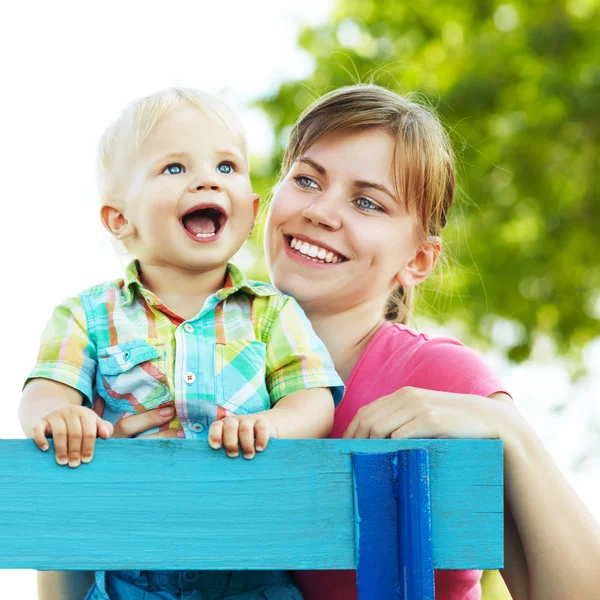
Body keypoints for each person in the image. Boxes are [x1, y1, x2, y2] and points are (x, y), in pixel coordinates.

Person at [37, 84, 600, 600]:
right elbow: (65, 578)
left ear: (418, 260)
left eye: (368, 202)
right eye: (307, 179)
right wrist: (111, 479)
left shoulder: (434, 380)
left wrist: (506, 426)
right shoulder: (152, 371)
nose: (320, 212)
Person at [19, 87, 343, 600]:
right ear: (120, 219)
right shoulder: (86, 315)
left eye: (227, 167)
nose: (207, 180)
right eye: (174, 168)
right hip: (131, 574)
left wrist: (272, 425)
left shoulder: (271, 313)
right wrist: (60, 416)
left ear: (251, 209)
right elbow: (45, 392)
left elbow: (314, 400)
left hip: (251, 574)